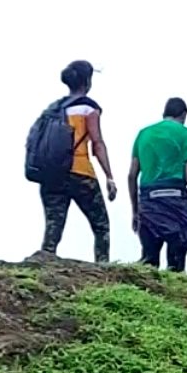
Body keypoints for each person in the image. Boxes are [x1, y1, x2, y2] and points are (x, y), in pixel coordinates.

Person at [128, 97, 187, 271]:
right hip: (176, 199)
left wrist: (135, 211)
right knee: (176, 259)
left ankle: (147, 293)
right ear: (184, 114)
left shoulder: (144, 134)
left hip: (148, 200)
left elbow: (132, 175)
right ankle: (175, 288)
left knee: (149, 260)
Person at [38, 61, 116, 262]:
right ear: (87, 81)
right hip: (80, 172)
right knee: (101, 226)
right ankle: (102, 269)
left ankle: (43, 266)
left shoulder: (53, 109)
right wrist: (109, 176)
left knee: (53, 227)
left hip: (51, 175)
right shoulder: (88, 108)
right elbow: (97, 144)